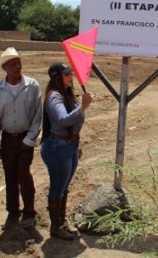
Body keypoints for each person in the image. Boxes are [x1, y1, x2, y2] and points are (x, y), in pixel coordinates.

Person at [0, 47, 42, 230]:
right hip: (7, 140)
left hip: (25, 139)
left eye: (18, 63)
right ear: (5, 68)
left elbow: (37, 115)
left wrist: (30, 139)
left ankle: (29, 212)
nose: (17, 67)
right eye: (12, 64)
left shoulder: (32, 86)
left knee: (23, 175)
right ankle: (13, 212)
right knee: (10, 176)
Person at [40, 62, 92, 240]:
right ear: (57, 77)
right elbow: (63, 120)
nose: (71, 77)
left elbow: (74, 123)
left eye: (71, 73)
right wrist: (83, 107)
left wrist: (75, 143)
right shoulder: (54, 97)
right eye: (66, 74)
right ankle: (56, 227)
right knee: (57, 188)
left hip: (69, 147)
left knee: (64, 187)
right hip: (57, 148)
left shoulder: (68, 96)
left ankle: (61, 222)